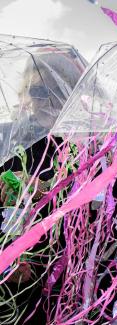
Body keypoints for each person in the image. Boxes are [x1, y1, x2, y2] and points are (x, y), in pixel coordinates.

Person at [0, 52, 83, 325]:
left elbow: (110, 208)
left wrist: (47, 189)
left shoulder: (89, 144)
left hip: (67, 283)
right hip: (11, 285)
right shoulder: (7, 136)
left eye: (57, 89)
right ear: (25, 92)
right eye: (37, 90)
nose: (46, 99)